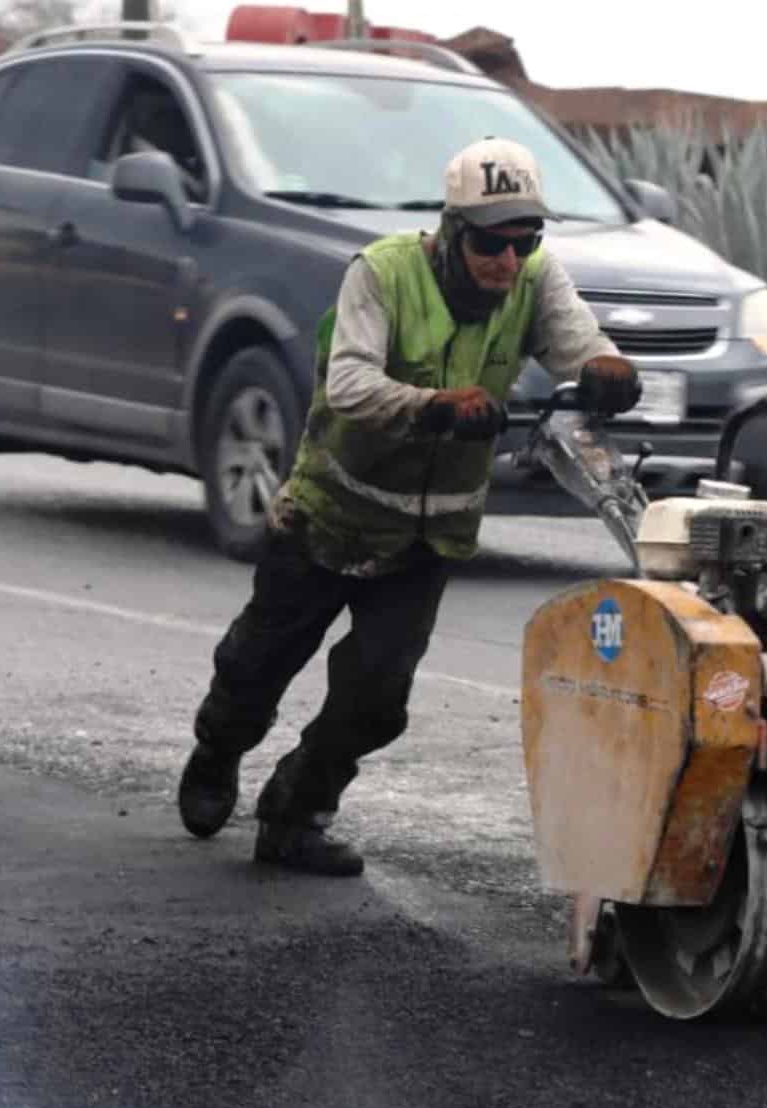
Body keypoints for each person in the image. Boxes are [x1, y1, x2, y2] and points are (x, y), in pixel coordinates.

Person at [176, 136, 642, 876]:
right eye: (493, 243)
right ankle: (217, 751)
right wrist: (433, 406)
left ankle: (295, 814)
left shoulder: (534, 279)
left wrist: (605, 368)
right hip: (327, 518)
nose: (509, 260)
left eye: (527, 240)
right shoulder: (382, 273)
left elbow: (578, 342)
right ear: (453, 234)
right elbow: (350, 384)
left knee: (377, 699)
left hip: (427, 539)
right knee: (255, 667)